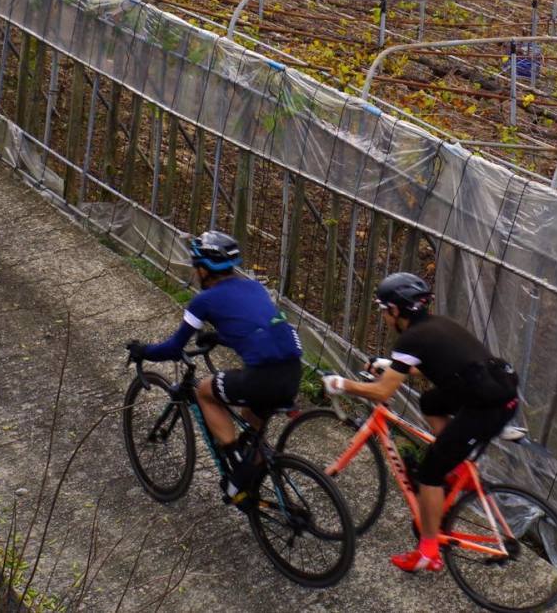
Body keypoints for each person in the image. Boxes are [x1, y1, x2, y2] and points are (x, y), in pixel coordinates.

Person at [323, 271, 519, 573]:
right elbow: (426, 363)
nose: (384, 317)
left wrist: (341, 384)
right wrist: (387, 365)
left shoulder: (411, 338)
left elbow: (382, 391)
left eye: (384, 309)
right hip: (495, 393)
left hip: (486, 409)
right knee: (429, 402)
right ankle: (452, 466)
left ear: (395, 310)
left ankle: (428, 550)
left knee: (429, 474)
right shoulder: (437, 325)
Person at [126, 230, 302, 502]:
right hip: (292, 372)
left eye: (196, 267)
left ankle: (237, 475)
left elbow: (174, 348)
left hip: (263, 377)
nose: (195, 273)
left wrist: (144, 351)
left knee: (205, 391)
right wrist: (220, 336)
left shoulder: (203, 301)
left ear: (204, 269)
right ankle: (254, 473)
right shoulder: (255, 287)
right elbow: (257, 329)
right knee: (250, 423)